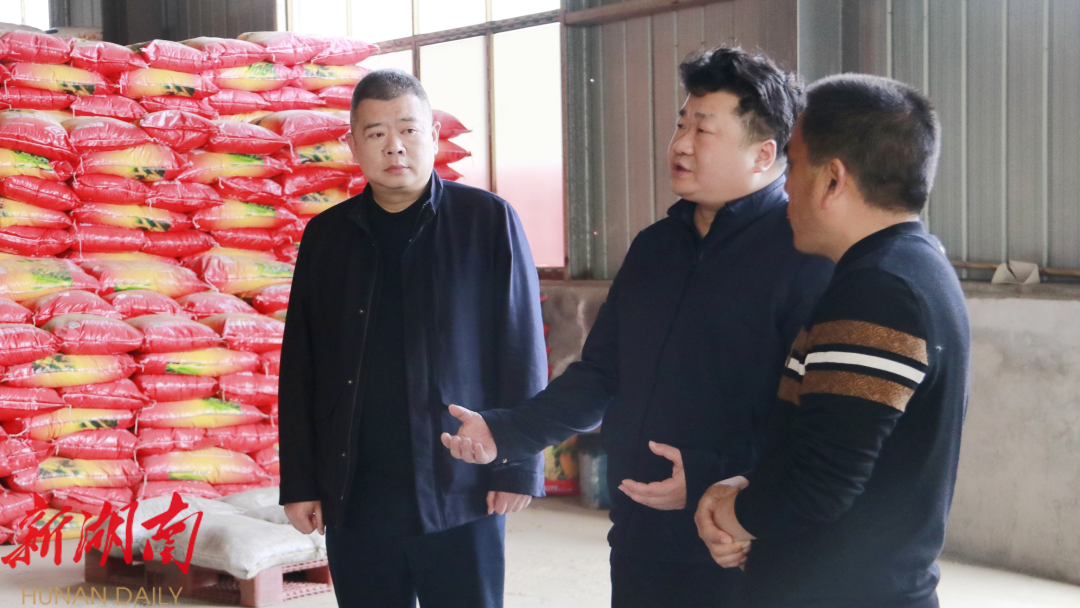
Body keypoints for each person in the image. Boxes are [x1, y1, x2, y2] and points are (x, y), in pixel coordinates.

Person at [440, 47, 833, 607]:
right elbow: (600, 374)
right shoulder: (656, 248)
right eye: (681, 123)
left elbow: (816, 420)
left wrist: (710, 476)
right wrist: (506, 432)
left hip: (743, 539)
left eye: (703, 129)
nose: (680, 144)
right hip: (640, 532)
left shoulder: (804, 256)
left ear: (763, 153)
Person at [694, 73, 970, 608]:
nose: (786, 186)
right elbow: (841, 446)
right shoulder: (916, 266)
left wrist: (727, 512)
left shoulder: (879, 291)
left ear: (833, 179)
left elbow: (818, 486)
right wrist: (750, 498)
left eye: (794, 164)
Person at [277, 69, 546, 608]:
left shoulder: (486, 221)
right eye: (375, 133)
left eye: (408, 129)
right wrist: (300, 481)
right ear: (353, 144)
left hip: (460, 485)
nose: (394, 146)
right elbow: (300, 366)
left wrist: (520, 463)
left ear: (434, 136)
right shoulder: (327, 237)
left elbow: (521, 348)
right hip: (358, 488)